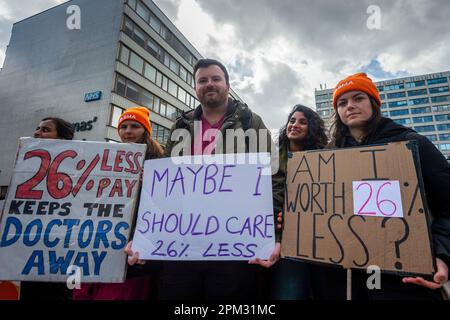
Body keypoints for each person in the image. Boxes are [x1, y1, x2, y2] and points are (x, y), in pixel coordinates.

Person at [135, 58, 284, 299]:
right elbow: (166, 183)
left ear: (227, 84)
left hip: (235, 244)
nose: (209, 84)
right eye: (202, 80)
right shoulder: (180, 126)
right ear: (195, 87)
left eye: (216, 79)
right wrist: (148, 235)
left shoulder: (250, 122)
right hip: (182, 244)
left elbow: (274, 177)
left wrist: (273, 237)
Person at [312, 72, 450, 300]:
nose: (350, 106)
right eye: (342, 103)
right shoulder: (328, 157)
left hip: (403, 279)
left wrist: (441, 254)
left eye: (359, 98)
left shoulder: (412, 144)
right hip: (344, 277)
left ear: (374, 103)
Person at [73, 107, 164, 300]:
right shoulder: (108, 158)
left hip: (134, 255)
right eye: (123, 127)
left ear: (145, 131)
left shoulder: (159, 162)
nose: (128, 131)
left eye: (134, 126)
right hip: (98, 247)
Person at [270, 105, 328, 300]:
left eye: (302, 122)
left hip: (320, 240)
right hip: (283, 241)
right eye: (292, 120)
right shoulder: (270, 157)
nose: (294, 125)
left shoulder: (326, 157)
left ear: (311, 128)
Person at [20, 117, 75, 300]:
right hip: (32, 256)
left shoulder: (77, 171)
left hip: (67, 256)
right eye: (37, 128)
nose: (37, 133)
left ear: (62, 139)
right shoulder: (26, 167)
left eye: (45, 130)